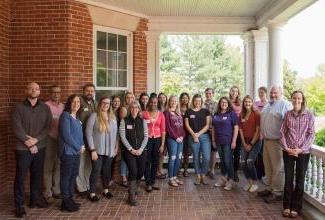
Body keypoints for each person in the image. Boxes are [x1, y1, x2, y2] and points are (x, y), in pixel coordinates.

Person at [12, 82, 52, 218]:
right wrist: (29, 142)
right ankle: (19, 205)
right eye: (31, 88)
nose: (34, 90)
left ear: (39, 92)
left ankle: (35, 200)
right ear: (26, 90)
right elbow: (16, 128)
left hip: (40, 147)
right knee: (20, 177)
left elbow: (48, 127)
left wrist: (36, 140)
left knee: (37, 175)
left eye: (36, 89)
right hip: (22, 148)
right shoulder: (18, 107)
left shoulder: (45, 108)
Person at [280, 91, 315, 218]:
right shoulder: (287, 114)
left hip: (303, 152)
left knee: (300, 180)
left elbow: (311, 134)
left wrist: (300, 149)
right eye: (294, 98)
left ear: (302, 100)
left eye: (299, 98)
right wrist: (287, 148)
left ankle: (296, 207)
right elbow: (282, 132)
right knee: (288, 179)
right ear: (291, 99)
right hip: (288, 151)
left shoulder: (309, 115)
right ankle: (287, 206)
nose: (296, 100)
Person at [259, 86, 292, 203]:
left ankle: (277, 192)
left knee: (278, 168)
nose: (273, 95)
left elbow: (290, 124)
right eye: (271, 93)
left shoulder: (285, 105)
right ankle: (269, 188)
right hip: (266, 141)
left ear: (281, 93)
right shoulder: (268, 104)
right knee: (268, 166)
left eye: (275, 93)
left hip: (277, 142)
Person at [86, 97, 118, 202]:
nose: (106, 105)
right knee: (96, 171)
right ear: (100, 104)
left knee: (106, 171)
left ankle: (106, 190)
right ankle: (92, 193)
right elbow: (88, 134)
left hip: (109, 151)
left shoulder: (112, 117)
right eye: (103, 103)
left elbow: (116, 135)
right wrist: (92, 149)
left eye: (108, 103)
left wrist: (115, 148)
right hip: (97, 151)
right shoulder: (94, 116)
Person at [58, 94, 85, 212]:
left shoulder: (77, 117)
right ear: (69, 103)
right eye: (74, 102)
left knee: (73, 175)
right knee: (66, 176)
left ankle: (69, 199)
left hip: (76, 152)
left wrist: (82, 145)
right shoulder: (65, 116)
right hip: (67, 152)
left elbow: (79, 135)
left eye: (78, 102)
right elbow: (66, 136)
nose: (76, 104)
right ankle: (65, 201)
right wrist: (78, 147)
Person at [119, 101, 148, 206]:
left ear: (139, 109)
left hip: (141, 150)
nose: (134, 109)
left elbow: (146, 136)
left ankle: (134, 188)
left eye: (136, 108)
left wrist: (140, 149)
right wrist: (131, 149)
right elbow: (122, 137)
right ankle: (131, 196)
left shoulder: (143, 121)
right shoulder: (124, 121)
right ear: (129, 109)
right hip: (129, 151)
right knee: (133, 171)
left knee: (140, 171)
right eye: (132, 107)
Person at [212, 97, 238, 190]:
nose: (224, 104)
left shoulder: (232, 114)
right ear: (219, 104)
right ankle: (223, 179)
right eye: (222, 102)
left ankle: (230, 180)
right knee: (222, 161)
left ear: (228, 104)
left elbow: (236, 128)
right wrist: (213, 140)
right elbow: (213, 128)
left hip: (228, 141)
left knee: (228, 161)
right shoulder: (216, 114)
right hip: (219, 141)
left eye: (225, 102)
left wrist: (234, 141)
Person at [43, 85, 64, 203]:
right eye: (54, 92)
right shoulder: (46, 106)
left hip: (61, 140)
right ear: (50, 93)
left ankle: (56, 190)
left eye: (58, 92)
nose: (56, 94)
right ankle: (47, 193)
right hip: (49, 139)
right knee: (48, 167)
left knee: (58, 165)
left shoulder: (63, 106)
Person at [184, 94, 211, 185]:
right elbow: (187, 125)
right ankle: (198, 176)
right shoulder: (188, 111)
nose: (197, 102)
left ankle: (203, 174)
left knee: (207, 157)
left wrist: (198, 134)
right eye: (196, 100)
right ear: (193, 101)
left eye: (199, 101)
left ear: (201, 102)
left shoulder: (206, 111)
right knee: (196, 157)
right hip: (192, 136)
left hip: (204, 136)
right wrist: (194, 135)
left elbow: (207, 125)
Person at [142, 95, 166, 192]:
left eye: (155, 102)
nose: (153, 104)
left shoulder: (161, 114)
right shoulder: (143, 114)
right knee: (147, 161)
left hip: (157, 140)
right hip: (146, 140)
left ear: (157, 103)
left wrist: (162, 144)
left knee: (155, 161)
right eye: (151, 102)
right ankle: (148, 183)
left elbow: (163, 130)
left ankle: (152, 182)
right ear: (149, 103)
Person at [76, 83, 96, 196]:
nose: (90, 93)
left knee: (88, 165)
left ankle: (87, 185)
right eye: (88, 91)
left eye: (92, 91)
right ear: (84, 91)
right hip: (81, 140)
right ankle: (81, 188)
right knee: (80, 165)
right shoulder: (79, 102)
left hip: (91, 141)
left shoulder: (94, 103)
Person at [239, 95, 261, 193]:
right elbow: (240, 130)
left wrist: (251, 144)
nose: (247, 103)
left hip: (255, 142)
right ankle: (249, 182)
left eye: (249, 102)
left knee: (250, 161)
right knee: (243, 163)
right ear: (243, 103)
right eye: (245, 102)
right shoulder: (241, 114)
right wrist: (244, 143)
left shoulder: (256, 114)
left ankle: (255, 183)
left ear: (252, 103)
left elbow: (258, 131)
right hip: (245, 142)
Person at [164, 95, 185, 187]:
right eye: (172, 101)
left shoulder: (179, 113)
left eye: (175, 101)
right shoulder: (166, 113)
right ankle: (170, 178)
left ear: (177, 103)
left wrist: (182, 137)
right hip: (172, 139)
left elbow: (183, 127)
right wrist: (176, 137)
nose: (174, 102)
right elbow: (168, 127)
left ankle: (175, 176)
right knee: (172, 158)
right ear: (169, 102)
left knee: (178, 158)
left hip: (180, 139)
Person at [119, 92, 135, 187]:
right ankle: (124, 178)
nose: (130, 99)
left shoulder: (134, 108)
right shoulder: (124, 109)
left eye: (132, 98)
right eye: (128, 98)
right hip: (125, 136)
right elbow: (124, 122)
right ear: (125, 99)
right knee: (124, 158)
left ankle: (130, 176)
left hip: (133, 137)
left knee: (131, 158)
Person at [203, 88, 218, 180]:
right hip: (203, 130)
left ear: (213, 94)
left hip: (213, 129)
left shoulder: (217, 105)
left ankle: (212, 170)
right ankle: (206, 168)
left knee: (213, 150)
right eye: (207, 93)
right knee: (205, 150)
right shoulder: (202, 104)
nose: (208, 95)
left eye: (210, 93)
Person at [254, 86, 268, 180]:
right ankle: (255, 173)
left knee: (262, 154)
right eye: (259, 92)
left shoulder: (268, 104)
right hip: (256, 130)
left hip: (265, 131)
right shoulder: (255, 103)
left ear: (266, 93)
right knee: (256, 153)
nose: (260, 94)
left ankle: (262, 172)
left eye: (262, 92)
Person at [229, 86, 241, 182]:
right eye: (233, 91)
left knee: (237, 153)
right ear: (230, 92)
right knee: (229, 153)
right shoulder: (227, 102)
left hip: (239, 130)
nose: (234, 93)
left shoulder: (241, 103)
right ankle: (230, 172)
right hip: (229, 130)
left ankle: (235, 172)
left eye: (236, 91)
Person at [179, 92, 191, 177]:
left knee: (186, 153)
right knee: (179, 152)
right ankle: (178, 170)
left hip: (188, 134)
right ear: (180, 99)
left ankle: (185, 170)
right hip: (179, 133)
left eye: (186, 98)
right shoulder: (177, 108)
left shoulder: (190, 109)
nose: (185, 99)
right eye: (183, 98)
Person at [157, 92, 168, 179]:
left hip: (168, 133)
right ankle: (158, 171)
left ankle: (160, 169)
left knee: (163, 153)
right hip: (159, 133)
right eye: (160, 97)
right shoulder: (156, 108)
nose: (162, 99)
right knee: (159, 152)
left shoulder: (168, 108)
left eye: (164, 97)